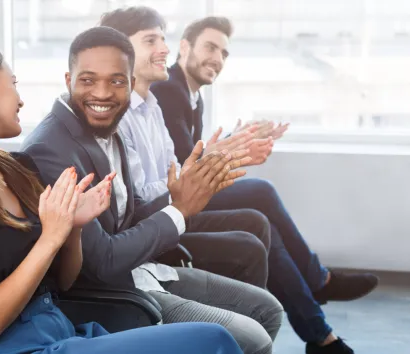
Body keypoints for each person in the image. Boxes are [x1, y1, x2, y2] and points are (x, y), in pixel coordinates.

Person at [0, 44, 243, 354]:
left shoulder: (16, 169)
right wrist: (51, 236)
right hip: (18, 347)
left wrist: (73, 230)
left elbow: (63, 282)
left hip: (60, 330)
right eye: (12, 84)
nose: (20, 99)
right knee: (214, 340)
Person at [22, 26, 283, 354]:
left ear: (131, 84)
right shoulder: (50, 150)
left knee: (268, 310)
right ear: (68, 80)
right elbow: (99, 262)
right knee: (252, 339)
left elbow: (127, 215)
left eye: (116, 81)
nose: (102, 93)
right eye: (88, 80)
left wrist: (184, 187)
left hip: (142, 271)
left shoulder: (108, 128)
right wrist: (179, 210)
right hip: (106, 296)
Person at [150, 16, 379, 354]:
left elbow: (194, 157)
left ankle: (320, 330)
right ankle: (319, 290)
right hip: (171, 201)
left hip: (182, 192)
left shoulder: (191, 95)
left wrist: (238, 141)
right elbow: (189, 168)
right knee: (262, 193)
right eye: (210, 47)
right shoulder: (170, 89)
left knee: (264, 220)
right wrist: (239, 146)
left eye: (224, 53)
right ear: (184, 47)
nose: (217, 58)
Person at [102, 6, 281, 289]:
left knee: (255, 222)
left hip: (169, 208)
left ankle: (252, 315)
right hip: (150, 225)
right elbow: (140, 200)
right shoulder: (119, 115)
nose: (164, 49)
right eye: (151, 41)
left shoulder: (152, 106)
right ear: (119, 51)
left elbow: (173, 168)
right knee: (249, 242)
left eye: (163, 39)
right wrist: (197, 170)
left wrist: (199, 167)